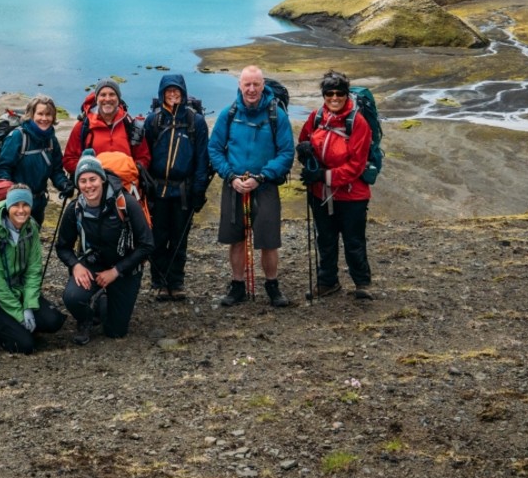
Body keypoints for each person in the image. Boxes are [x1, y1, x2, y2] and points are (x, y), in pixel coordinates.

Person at [207, 65, 295, 309]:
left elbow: (287, 152)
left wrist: (262, 176)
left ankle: (272, 285)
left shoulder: (277, 115)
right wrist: (230, 176)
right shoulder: (229, 113)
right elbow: (214, 149)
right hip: (234, 184)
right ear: (240, 86)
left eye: (256, 84)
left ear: (263, 85)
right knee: (236, 239)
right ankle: (237, 286)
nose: (252, 89)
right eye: (247, 84)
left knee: (268, 240)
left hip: (264, 185)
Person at [55, 152, 154, 345]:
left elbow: (147, 244)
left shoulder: (125, 204)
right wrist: (76, 265)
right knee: (72, 297)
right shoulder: (75, 209)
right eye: (82, 181)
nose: (88, 185)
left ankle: (105, 300)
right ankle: (86, 318)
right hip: (92, 264)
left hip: (125, 267)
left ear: (101, 178)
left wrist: (116, 271)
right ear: (77, 184)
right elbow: (62, 247)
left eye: (93, 179)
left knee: (115, 332)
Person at [296, 70, 374, 299]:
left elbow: (356, 165)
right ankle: (328, 281)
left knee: (354, 240)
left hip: (352, 195)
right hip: (320, 193)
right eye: (329, 93)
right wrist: (304, 153)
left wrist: (323, 176)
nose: (334, 97)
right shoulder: (317, 116)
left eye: (339, 93)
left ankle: (362, 284)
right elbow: (304, 140)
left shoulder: (358, 122)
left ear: (346, 94)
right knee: (325, 239)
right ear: (323, 95)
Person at [0, 185, 67, 353]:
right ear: (8, 206)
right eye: (16, 205)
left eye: (26, 205)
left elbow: (33, 270)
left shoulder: (31, 229)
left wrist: (29, 305)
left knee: (54, 321)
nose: (21, 210)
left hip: (19, 290)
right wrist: (19, 314)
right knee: (24, 346)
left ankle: (14, 325)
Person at [144, 73, 210, 301]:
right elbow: (145, 155)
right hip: (157, 190)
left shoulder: (195, 122)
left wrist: (199, 190)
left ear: (183, 92)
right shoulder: (153, 121)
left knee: (180, 237)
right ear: (162, 93)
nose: (173, 94)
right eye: (168, 91)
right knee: (158, 237)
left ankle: (177, 282)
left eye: (177, 90)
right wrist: (145, 187)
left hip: (183, 190)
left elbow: (203, 159)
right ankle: (159, 282)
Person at [0, 94, 71, 227]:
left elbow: (56, 170)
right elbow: (3, 169)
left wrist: (64, 184)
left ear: (53, 118)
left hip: (38, 204)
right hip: (16, 205)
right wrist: (13, 196)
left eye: (48, 114)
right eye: (40, 114)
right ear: (31, 115)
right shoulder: (18, 137)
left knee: (32, 240)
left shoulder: (52, 141)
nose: (44, 118)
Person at [62, 78, 150, 176]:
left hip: (126, 186)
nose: (107, 99)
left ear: (118, 98)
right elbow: (69, 159)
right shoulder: (83, 126)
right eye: (103, 95)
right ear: (96, 98)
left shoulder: (130, 125)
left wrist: (131, 170)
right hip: (93, 187)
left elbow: (144, 157)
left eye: (112, 94)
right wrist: (89, 172)